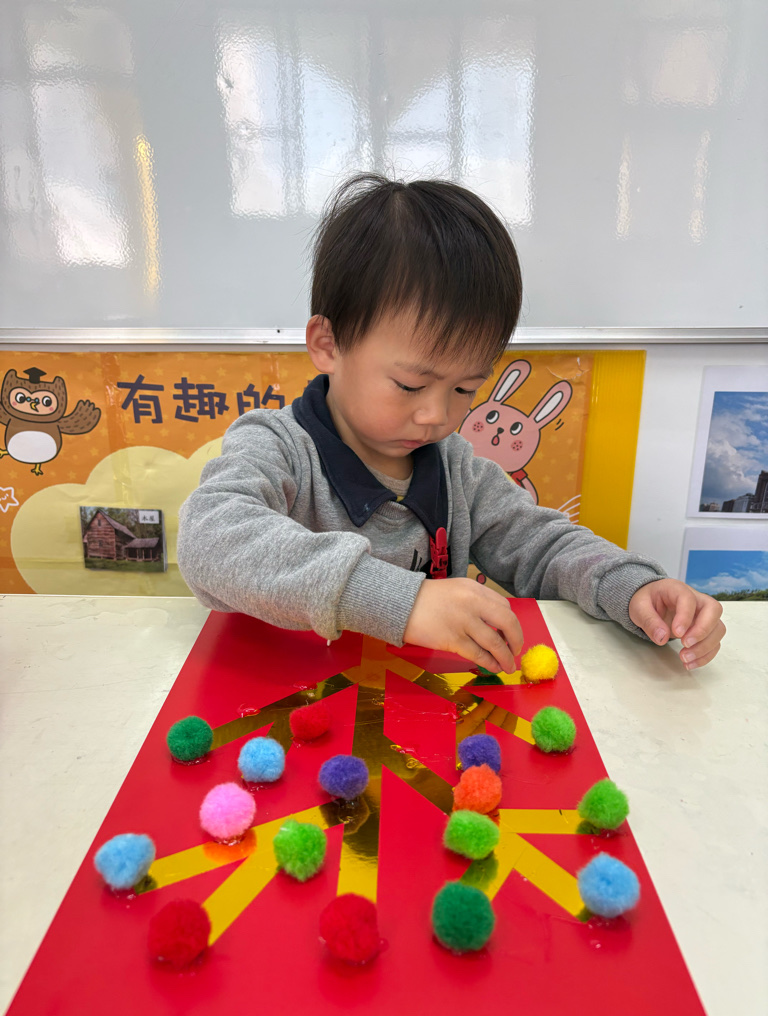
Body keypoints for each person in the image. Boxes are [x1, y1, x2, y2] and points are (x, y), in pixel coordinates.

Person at [177, 173, 725, 673]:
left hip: (424, 708)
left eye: (465, 390)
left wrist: (630, 587)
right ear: (329, 344)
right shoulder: (277, 446)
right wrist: (400, 600)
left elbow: (540, 544)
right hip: (285, 704)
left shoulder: (456, 469)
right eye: (409, 385)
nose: (437, 415)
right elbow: (209, 540)